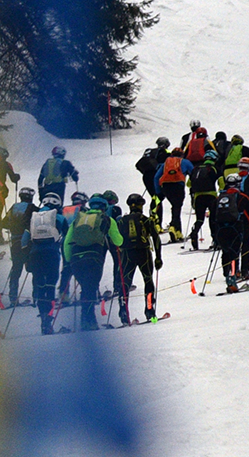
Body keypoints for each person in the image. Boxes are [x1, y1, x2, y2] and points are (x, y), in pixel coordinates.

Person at [63, 196, 119, 329]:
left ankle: (85, 320)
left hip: (76, 259)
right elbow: (118, 241)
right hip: (94, 257)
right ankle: (90, 322)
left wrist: (69, 260)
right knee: (91, 288)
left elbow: (67, 242)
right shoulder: (107, 219)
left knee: (86, 288)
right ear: (104, 208)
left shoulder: (78, 219)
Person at [24, 192, 67, 336]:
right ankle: (48, 320)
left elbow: (24, 240)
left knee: (40, 287)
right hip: (52, 254)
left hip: (35, 255)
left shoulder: (34, 217)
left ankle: (42, 317)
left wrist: (27, 257)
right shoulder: (59, 218)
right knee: (50, 286)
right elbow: (67, 237)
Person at [117, 195, 163, 324]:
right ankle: (150, 310)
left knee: (125, 283)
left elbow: (116, 240)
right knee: (148, 280)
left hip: (127, 254)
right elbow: (156, 239)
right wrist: (158, 257)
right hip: (143, 253)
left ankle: (123, 311)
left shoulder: (122, 221)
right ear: (140, 205)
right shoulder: (146, 220)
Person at [210, 176, 249, 291]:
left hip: (220, 229)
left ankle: (227, 274)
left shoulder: (219, 198)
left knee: (226, 251)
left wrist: (214, 234)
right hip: (235, 228)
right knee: (235, 252)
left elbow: (212, 217)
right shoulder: (242, 197)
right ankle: (233, 277)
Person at [0, 188, 35, 307]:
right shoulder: (32, 207)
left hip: (14, 242)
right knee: (34, 269)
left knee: (16, 269)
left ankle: (13, 298)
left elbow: (3, 223)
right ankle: (37, 297)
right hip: (28, 242)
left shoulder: (13, 207)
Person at [136, 136, 172, 228]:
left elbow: (138, 165)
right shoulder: (165, 153)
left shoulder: (150, 152)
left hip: (146, 176)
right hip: (156, 177)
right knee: (158, 199)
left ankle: (154, 221)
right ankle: (156, 224)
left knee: (155, 198)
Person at [188, 151, 221, 250]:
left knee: (199, 219)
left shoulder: (196, 169)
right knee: (213, 218)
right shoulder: (214, 168)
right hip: (211, 196)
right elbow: (221, 183)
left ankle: (194, 234)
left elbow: (188, 184)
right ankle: (215, 240)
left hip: (198, 197)